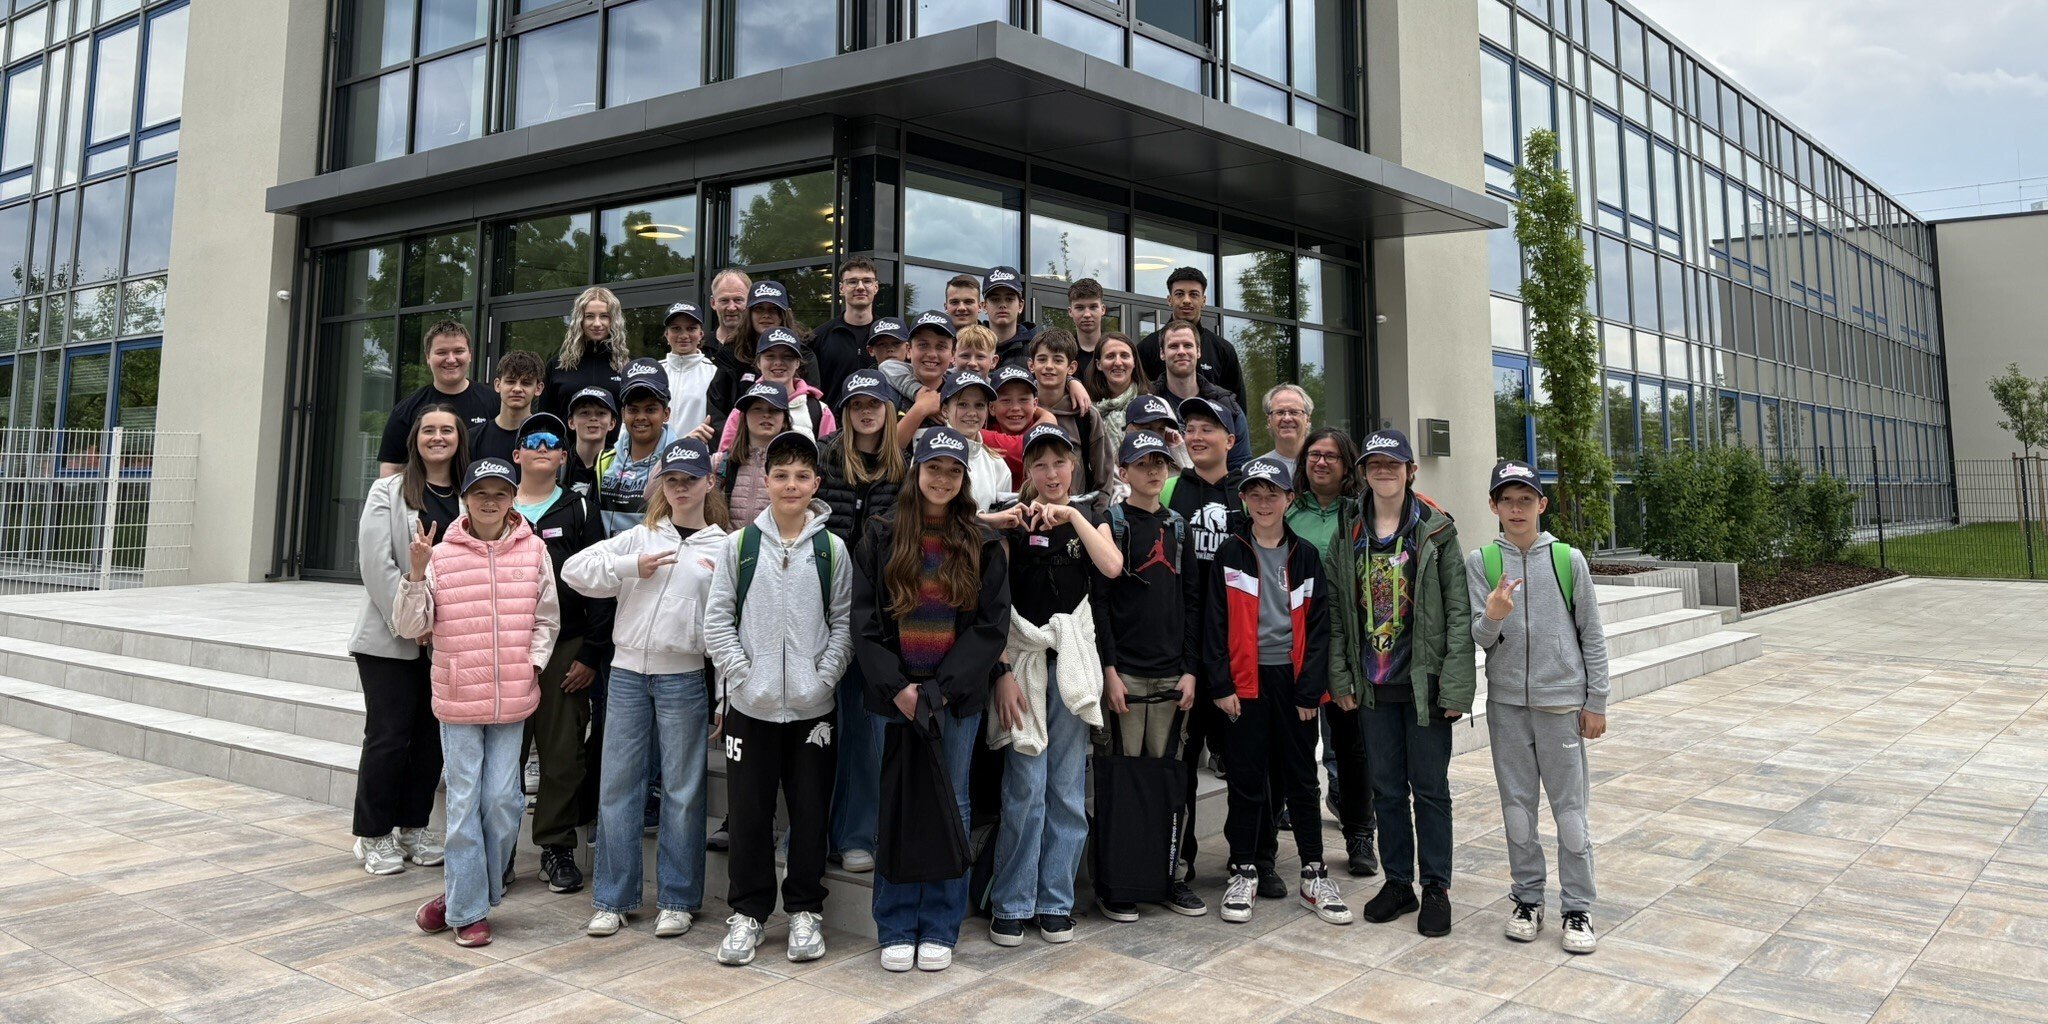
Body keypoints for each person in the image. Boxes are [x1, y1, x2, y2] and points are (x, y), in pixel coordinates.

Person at [852, 427, 1011, 973]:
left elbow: (990, 629)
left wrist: (940, 691)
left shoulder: (983, 542)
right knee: (896, 803)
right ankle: (896, 922)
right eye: (932, 468)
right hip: (894, 698)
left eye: (952, 470)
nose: (941, 479)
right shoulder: (880, 534)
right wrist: (898, 688)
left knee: (953, 805)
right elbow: (864, 623)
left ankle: (941, 924)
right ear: (915, 471)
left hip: (953, 700)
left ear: (964, 479)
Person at [567, 438, 731, 940]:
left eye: (690, 479)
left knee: (683, 789)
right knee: (618, 785)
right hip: (627, 676)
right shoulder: (639, 538)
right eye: (673, 480)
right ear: (662, 484)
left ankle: (678, 899)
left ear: (709, 482)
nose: (681, 488)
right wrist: (627, 568)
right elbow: (574, 571)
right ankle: (612, 899)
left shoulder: (724, 547)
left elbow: (728, 626)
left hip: (683, 677)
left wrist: (723, 694)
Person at [704, 431, 855, 966]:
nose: (791, 484)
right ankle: (747, 913)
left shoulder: (830, 549)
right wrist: (743, 677)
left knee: (810, 815)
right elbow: (717, 621)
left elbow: (843, 625)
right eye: (780, 475)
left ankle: (805, 912)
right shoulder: (738, 546)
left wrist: (823, 679)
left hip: (814, 712)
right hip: (752, 709)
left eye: (801, 476)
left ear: (816, 484)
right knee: (748, 816)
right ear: (764, 482)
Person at [402, 458, 562, 949]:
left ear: (513, 498)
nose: (489, 501)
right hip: (458, 700)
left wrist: (531, 664)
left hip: (513, 698)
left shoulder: (534, 551)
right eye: (480, 493)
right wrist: (415, 572)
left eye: (499, 492)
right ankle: (469, 911)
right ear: (465, 498)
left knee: (503, 802)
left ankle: (456, 898)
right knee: (465, 802)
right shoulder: (441, 555)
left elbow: (547, 618)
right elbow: (411, 627)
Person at [1327, 429, 1474, 940]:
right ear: (1364, 472)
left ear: (1411, 470)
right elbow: (1337, 613)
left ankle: (1436, 885)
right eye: (1374, 464)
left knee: (1430, 789)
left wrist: (1455, 686)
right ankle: (1398, 882)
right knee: (1386, 790)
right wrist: (1341, 676)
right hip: (1372, 685)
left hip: (1423, 685)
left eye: (1394, 463)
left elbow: (1459, 613)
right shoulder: (1348, 531)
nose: (1383, 471)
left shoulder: (1436, 531)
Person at [984, 426, 1121, 947]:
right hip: (1023, 667)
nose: (1051, 474)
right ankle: (1013, 901)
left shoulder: (1091, 518)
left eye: (1059, 463)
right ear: (1028, 473)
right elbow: (990, 602)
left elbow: (1111, 566)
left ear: (1074, 469)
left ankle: (1055, 901)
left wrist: (1075, 517)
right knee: (1024, 789)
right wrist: (1000, 673)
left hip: (1073, 669)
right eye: (1039, 465)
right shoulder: (1011, 524)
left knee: (1065, 790)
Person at [1469, 460, 1608, 955]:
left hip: (1560, 705)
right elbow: (1478, 638)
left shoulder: (1568, 561)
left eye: (1525, 499)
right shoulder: (1481, 562)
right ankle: (1527, 899)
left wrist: (1596, 701)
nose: (1516, 508)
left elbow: (1591, 634)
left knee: (1570, 813)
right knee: (1517, 813)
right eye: (1506, 499)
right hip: (1507, 706)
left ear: (1541, 505)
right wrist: (1493, 615)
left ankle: (1578, 907)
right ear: (1493, 506)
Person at [1203, 456, 1347, 926]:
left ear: (1290, 499)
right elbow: (1213, 624)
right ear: (1243, 499)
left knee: (1302, 780)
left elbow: (1321, 628)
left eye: (1274, 493)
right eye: (1255, 493)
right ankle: (1243, 869)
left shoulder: (1305, 554)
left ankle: (1313, 872)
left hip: (1293, 684)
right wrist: (1221, 685)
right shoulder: (1230, 552)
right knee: (1245, 781)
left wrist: (1311, 692)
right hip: (1244, 685)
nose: (1264, 502)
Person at [1092, 430, 1207, 921]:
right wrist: (1110, 670)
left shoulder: (1179, 528)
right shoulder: (1111, 524)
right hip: (1126, 675)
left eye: (1160, 462)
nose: (1154, 471)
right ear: (1123, 471)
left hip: (1170, 677)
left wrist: (1190, 669)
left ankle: (1169, 876)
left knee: (1169, 782)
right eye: (1142, 463)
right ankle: (1118, 882)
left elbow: (1193, 602)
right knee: (1122, 780)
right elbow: (1100, 604)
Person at [349, 405, 467, 875]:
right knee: (389, 737)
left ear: (459, 439)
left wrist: (437, 628)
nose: (438, 438)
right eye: (429, 431)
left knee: (430, 741)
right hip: (390, 640)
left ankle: (413, 827)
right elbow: (376, 565)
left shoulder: (468, 495)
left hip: (447, 640)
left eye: (447, 430)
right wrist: (411, 623)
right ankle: (373, 834)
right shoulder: (389, 491)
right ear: (415, 439)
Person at [507, 413, 612, 895]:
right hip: (504, 645)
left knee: (563, 753)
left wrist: (591, 652)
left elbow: (599, 586)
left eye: (553, 441)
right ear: (518, 453)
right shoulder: (495, 504)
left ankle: (556, 846)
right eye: (533, 441)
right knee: (505, 754)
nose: (543, 448)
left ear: (564, 455)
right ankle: (500, 848)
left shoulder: (579, 510)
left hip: (565, 645)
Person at [817, 369, 908, 874]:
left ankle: (857, 832)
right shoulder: (824, 458)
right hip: (822, 610)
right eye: (856, 404)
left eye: (875, 403)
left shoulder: (906, 466)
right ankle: (813, 831)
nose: (866, 411)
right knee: (817, 726)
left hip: (878, 615)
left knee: (866, 730)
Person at [1165, 397, 1252, 891]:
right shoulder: (1174, 488)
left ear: (1230, 440)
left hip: (1241, 651)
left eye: (1209, 429)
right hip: (1188, 651)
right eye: (1190, 428)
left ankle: (1248, 858)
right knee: (1182, 767)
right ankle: (1179, 862)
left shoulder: (1250, 493)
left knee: (1243, 764)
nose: (1197, 436)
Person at [1289, 427, 1378, 878]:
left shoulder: (1360, 514)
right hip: (1296, 646)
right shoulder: (1288, 511)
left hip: (1347, 645)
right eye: (1314, 456)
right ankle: (1299, 833)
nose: (1321, 463)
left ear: (1347, 466)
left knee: (1351, 746)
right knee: (1299, 744)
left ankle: (1361, 834)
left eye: (1331, 457)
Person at [377, 321, 496, 477]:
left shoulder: (495, 402)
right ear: (428, 357)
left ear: (470, 355)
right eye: (442, 353)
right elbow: (391, 469)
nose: (451, 359)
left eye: (459, 351)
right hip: (424, 500)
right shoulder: (406, 410)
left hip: (483, 499)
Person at [706, 280, 822, 426]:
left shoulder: (803, 354)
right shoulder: (731, 353)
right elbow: (716, 410)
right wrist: (736, 444)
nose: (766, 315)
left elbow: (812, 407)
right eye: (759, 309)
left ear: (784, 314)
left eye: (773, 309)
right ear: (749, 313)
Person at [1136, 268, 1247, 409]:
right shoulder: (1147, 348)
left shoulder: (1223, 350)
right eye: (1179, 294)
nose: (1186, 300)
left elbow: (1238, 406)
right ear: (1169, 300)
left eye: (1194, 294)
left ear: (1203, 300)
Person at [1029, 330, 1116, 506]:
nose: (1049, 366)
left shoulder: (1086, 415)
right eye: (1042, 359)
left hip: (1075, 514)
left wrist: (1097, 516)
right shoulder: (1020, 411)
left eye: (1058, 360)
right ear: (1031, 365)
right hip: (1027, 514)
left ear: (1072, 367)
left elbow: (1104, 479)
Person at [1151, 320, 1251, 471]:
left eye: (1188, 345)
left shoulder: (1227, 406)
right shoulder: (1148, 402)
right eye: (1173, 346)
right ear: (1162, 353)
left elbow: (1240, 466)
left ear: (1198, 351)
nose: (1181, 351)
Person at [597, 359, 679, 535]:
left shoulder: (678, 463)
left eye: (650, 410)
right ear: (623, 414)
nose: (641, 417)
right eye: (633, 410)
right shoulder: (604, 461)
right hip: (609, 559)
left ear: (666, 413)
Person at [716, 327, 835, 442]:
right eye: (770, 356)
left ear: (798, 363)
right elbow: (728, 458)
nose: (778, 362)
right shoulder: (742, 409)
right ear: (758, 362)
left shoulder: (819, 411)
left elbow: (829, 459)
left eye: (787, 357)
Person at [542, 286, 632, 420]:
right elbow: (545, 418)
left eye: (604, 316)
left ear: (614, 320)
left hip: (617, 442)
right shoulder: (558, 366)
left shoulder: (628, 366)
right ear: (580, 321)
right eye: (589, 316)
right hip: (567, 441)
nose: (597, 323)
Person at [717, 381, 794, 528]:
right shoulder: (720, 463)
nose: (766, 415)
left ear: (784, 419)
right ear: (744, 418)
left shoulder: (796, 466)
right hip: (727, 548)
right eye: (757, 409)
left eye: (775, 410)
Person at [813, 257, 881, 402]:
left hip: (882, 422)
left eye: (867, 281)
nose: (860, 287)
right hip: (833, 423)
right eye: (852, 281)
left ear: (876, 287)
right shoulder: (818, 337)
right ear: (841, 288)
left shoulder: (889, 337)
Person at [470, 351, 545, 464]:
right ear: (497, 385)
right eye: (510, 382)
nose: (517, 389)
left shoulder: (549, 439)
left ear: (538, 389)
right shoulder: (473, 438)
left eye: (526, 383)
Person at [661, 302, 718, 442]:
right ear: (667, 334)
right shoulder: (654, 372)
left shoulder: (714, 373)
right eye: (676, 328)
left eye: (691, 328)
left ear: (700, 334)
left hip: (696, 459)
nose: (684, 335)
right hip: (654, 459)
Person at [1084, 332, 1148, 438]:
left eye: (1124, 356)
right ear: (1099, 364)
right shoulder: (1086, 410)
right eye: (1110, 356)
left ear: (1134, 362)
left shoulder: (1152, 405)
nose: (1118, 362)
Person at [563, 387, 616, 501]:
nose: (593, 418)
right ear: (571, 422)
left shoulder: (620, 465)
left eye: (601, 413)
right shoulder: (558, 464)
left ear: (612, 423)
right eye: (584, 413)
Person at [980, 266, 1037, 364]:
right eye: (995, 299)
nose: (1003, 305)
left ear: (1020, 306)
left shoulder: (1037, 348)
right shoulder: (969, 344)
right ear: (984, 306)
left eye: (1009, 299)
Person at [1066, 278, 1111, 380]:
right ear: (1070, 312)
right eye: (1080, 308)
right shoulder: (1063, 352)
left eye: (1093, 307)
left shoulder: (1117, 351)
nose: (1087, 314)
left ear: (1103, 309)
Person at [1259, 384, 1313, 466]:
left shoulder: (1321, 466)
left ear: (1307, 420)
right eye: (1280, 412)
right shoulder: (1257, 470)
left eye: (1294, 412)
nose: (1287, 418)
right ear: (1269, 421)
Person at [865, 315, 913, 401]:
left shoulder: (922, 376)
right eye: (882, 344)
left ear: (908, 348)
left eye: (896, 343)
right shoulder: (863, 385)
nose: (890, 349)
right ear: (871, 350)